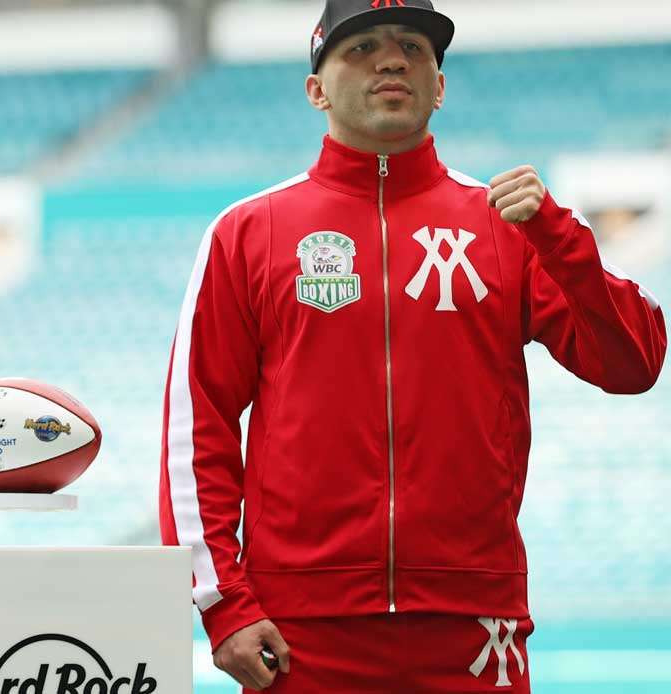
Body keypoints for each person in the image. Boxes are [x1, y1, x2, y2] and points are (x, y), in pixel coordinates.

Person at [158, 1, 667, 691]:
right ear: (316, 89)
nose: (392, 59)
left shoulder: (510, 226)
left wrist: (563, 242)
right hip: (301, 629)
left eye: (413, 48)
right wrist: (223, 604)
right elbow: (198, 427)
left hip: (472, 621)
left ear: (440, 86)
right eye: (361, 47)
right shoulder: (248, 232)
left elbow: (634, 364)